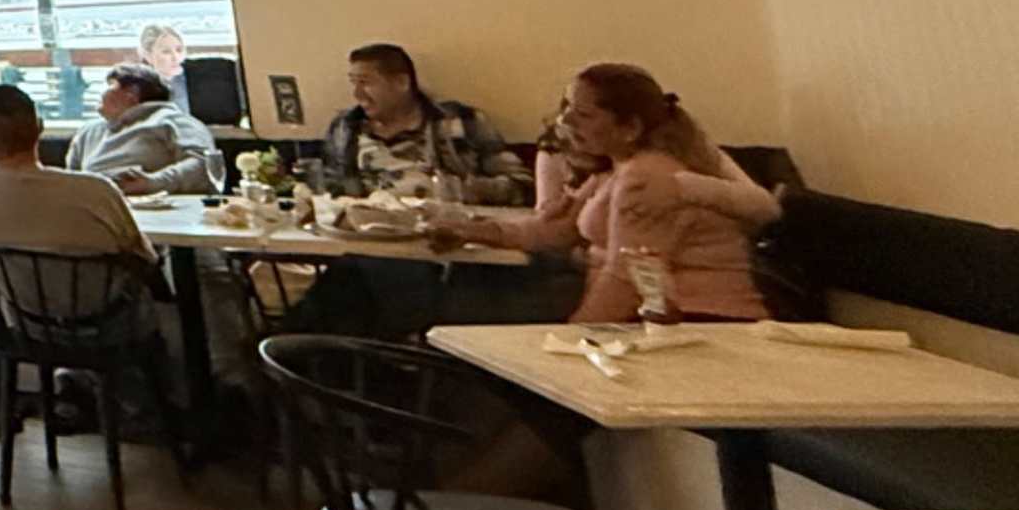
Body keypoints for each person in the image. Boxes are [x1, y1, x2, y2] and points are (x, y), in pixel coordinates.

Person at [432, 64, 779, 322]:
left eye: (582, 114)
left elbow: (627, 279)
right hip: (656, 319)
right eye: (566, 107)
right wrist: (474, 230)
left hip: (699, 322)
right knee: (464, 297)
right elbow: (555, 230)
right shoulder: (615, 169)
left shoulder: (646, 177)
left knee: (463, 305)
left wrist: (571, 344)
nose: (564, 121)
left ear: (629, 128)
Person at [0, 85, 153, 275]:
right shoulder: (96, 190)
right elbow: (146, 257)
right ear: (40, 128)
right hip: (109, 314)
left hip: (21, 313)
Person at [312, 44, 520, 199]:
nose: (357, 94)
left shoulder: (461, 122)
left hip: (445, 240)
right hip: (369, 241)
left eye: (365, 83)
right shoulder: (344, 128)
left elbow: (521, 186)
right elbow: (330, 191)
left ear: (402, 83)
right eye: (353, 83)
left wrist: (464, 189)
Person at [67, 64, 219, 197]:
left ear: (132, 93)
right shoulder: (88, 132)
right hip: (95, 210)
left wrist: (152, 183)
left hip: (158, 210)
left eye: (110, 85)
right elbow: (71, 180)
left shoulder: (173, 120)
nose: (101, 92)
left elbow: (206, 164)